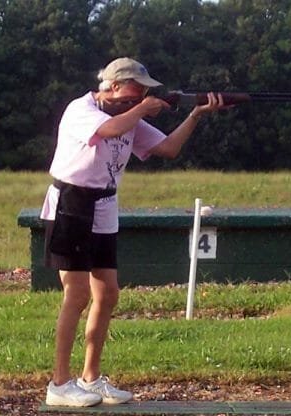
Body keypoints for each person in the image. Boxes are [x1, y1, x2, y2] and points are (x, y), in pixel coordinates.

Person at [40, 57, 226, 407]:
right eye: (134, 90)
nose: (141, 95)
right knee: (76, 295)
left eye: (144, 92)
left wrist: (195, 115)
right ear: (111, 86)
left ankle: (90, 378)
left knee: (107, 293)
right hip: (72, 203)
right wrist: (141, 109)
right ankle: (59, 384)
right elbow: (108, 131)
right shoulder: (82, 109)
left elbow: (167, 149)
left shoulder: (129, 115)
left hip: (105, 204)